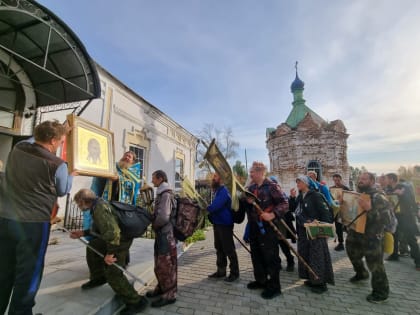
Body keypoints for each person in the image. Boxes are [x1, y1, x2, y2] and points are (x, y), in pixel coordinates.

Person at [0, 120, 75, 314]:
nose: (59, 145)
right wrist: (72, 174)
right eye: (60, 141)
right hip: (33, 224)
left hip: (7, 218)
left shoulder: (19, 148)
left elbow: (34, 139)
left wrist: (61, 130)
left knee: (4, 268)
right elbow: (62, 190)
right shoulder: (58, 165)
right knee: (29, 272)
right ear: (52, 140)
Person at [71, 189, 148, 315]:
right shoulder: (98, 204)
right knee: (94, 246)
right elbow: (102, 228)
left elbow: (113, 233)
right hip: (116, 238)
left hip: (120, 241)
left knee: (113, 272)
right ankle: (99, 277)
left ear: (84, 201)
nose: (79, 207)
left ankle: (136, 302)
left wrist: (110, 254)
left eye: (79, 204)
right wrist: (83, 233)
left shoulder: (100, 208)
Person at [241, 162, 289, 299]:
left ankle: (274, 287)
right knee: (256, 256)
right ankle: (261, 281)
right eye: (250, 172)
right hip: (254, 227)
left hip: (268, 229)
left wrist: (272, 214)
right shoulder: (251, 187)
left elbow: (285, 203)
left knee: (270, 258)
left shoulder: (272, 186)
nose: (250, 174)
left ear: (261, 172)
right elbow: (245, 204)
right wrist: (246, 200)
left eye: (253, 172)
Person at [345, 172, 392, 303]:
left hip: (372, 237)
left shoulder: (379, 197)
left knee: (376, 265)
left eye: (364, 179)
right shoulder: (357, 195)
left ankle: (381, 293)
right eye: (359, 178)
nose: (360, 181)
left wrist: (370, 209)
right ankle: (361, 274)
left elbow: (387, 220)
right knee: (351, 252)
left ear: (372, 181)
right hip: (355, 234)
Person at [91, 151, 142, 264]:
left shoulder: (133, 172)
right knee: (105, 232)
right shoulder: (113, 167)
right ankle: (103, 260)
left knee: (120, 236)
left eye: (129, 157)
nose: (126, 157)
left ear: (133, 161)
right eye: (125, 155)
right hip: (108, 205)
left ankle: (120, 261)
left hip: (122, 210)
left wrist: (118, 179)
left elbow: (133, 185)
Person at [289, 175, 334, 294]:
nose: (297, 184)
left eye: (299, 182)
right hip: (303, 232)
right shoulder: (300, 196)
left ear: (306, 183)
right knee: (306, 255)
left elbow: (327, 213)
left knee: (317, 257)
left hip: (315, 232)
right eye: (297, 182)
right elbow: (294, 210)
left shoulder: (316, 196)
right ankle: (311, 278)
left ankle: (321, 283)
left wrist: (322, 226)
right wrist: (292, 198)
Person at [145, 170, 177, 307]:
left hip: (166, 234)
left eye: (154, 178)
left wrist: (154, 224)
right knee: (159, 264)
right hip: (162, 234)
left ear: (160, 178)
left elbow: (164, 217)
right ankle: (161, 288)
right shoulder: (161, 193)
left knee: (166, 265)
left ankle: (169, 295)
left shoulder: (166, 195)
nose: (152, 181)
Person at [207, 172, 240, 282]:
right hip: (218, 223)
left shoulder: (224, 191)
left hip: (225, 224)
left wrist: (206, 207)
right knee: (219, 248)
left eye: (215, 176)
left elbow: (215, 206)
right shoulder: (218, 190)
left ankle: (235, 273)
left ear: (221, 179)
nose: (213, 178)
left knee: (228, 249)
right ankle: (221, 271)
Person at [385, 173, 420, 270]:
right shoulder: (388, 189)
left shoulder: (404, 187)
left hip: (406, 217)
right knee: (394, 236)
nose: (386, 180)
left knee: (410, 238)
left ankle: (418, 261)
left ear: (392, 179)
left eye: (387, 178)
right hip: (394, 216)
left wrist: (402, 194)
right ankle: (394, 255)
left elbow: (411, 201)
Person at [270, 175, 295, 272]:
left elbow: (286, 206)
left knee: (282, 242)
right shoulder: (267, 192)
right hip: (270, 222)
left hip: (281, 222)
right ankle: (277, 262)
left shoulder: (280, 192)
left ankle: (290, 260)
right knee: (272, 244)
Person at [330, 173, 351, 251]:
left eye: (338, 180)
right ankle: (341, 243)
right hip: (337, 211)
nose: (336, 182)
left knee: (347, 227)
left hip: (345, 211)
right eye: (335, 180)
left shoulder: (345, 188)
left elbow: (350, 199)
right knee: (338, 227)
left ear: (340, 180)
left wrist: (343, 200)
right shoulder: (331, 188)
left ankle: (351, 243)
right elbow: (330, 199)